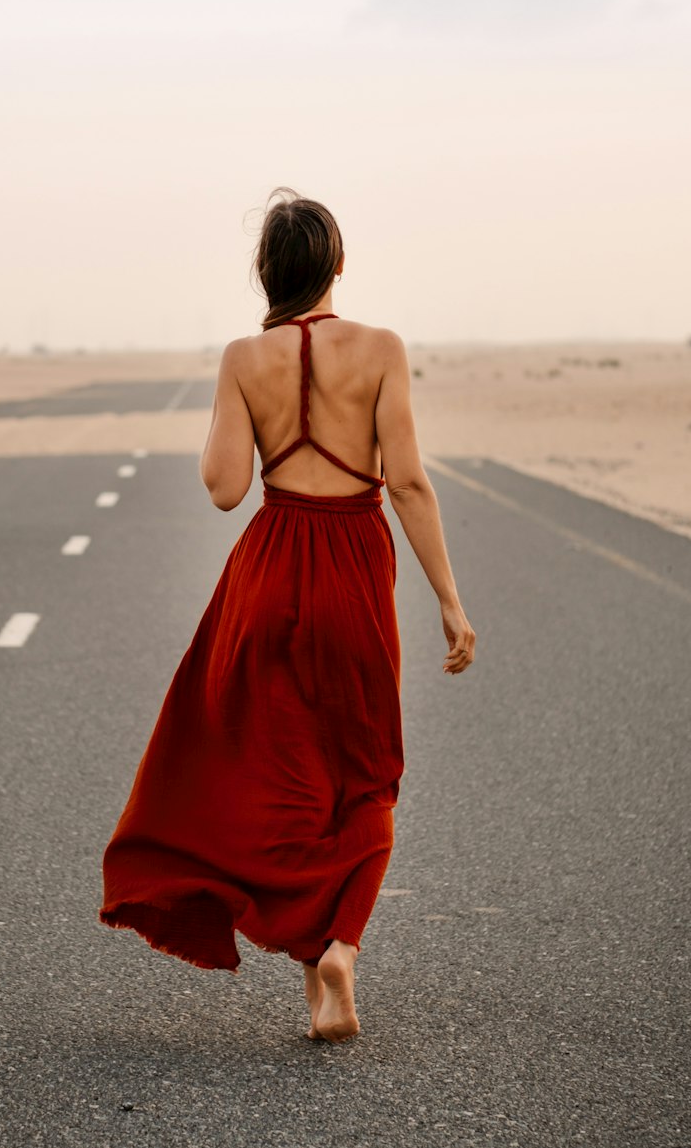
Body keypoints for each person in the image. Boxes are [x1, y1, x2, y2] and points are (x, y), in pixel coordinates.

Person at [99, 187, 475, 1043]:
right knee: (364, 771)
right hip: (352, 565)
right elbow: (409, 482)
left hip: (268, 573)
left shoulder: (242, 357)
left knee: (289, 776)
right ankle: (341, 947)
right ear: (338, 265)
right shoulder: (381, 349)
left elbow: (226, 488)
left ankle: (318, 983)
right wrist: (450, 601)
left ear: (266, 273)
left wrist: (234, 401)